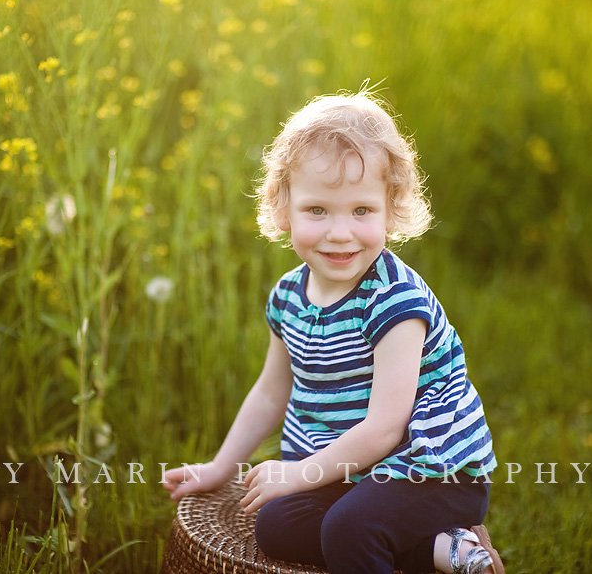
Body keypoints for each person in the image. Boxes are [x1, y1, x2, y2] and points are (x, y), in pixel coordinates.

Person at [163, 90, 504, 574]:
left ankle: (434, 529)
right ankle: (436, 549)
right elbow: (270, 391)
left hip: (429, 473)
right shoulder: (288, 296)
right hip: (351, 469)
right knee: (275, 526)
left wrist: (300, 473)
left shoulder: (395, 301)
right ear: (284, 209)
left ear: (391, 207)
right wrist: (221, 467)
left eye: (361, 211)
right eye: (318, 210)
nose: (340, 232)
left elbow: (386, 427)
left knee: (349, 531)